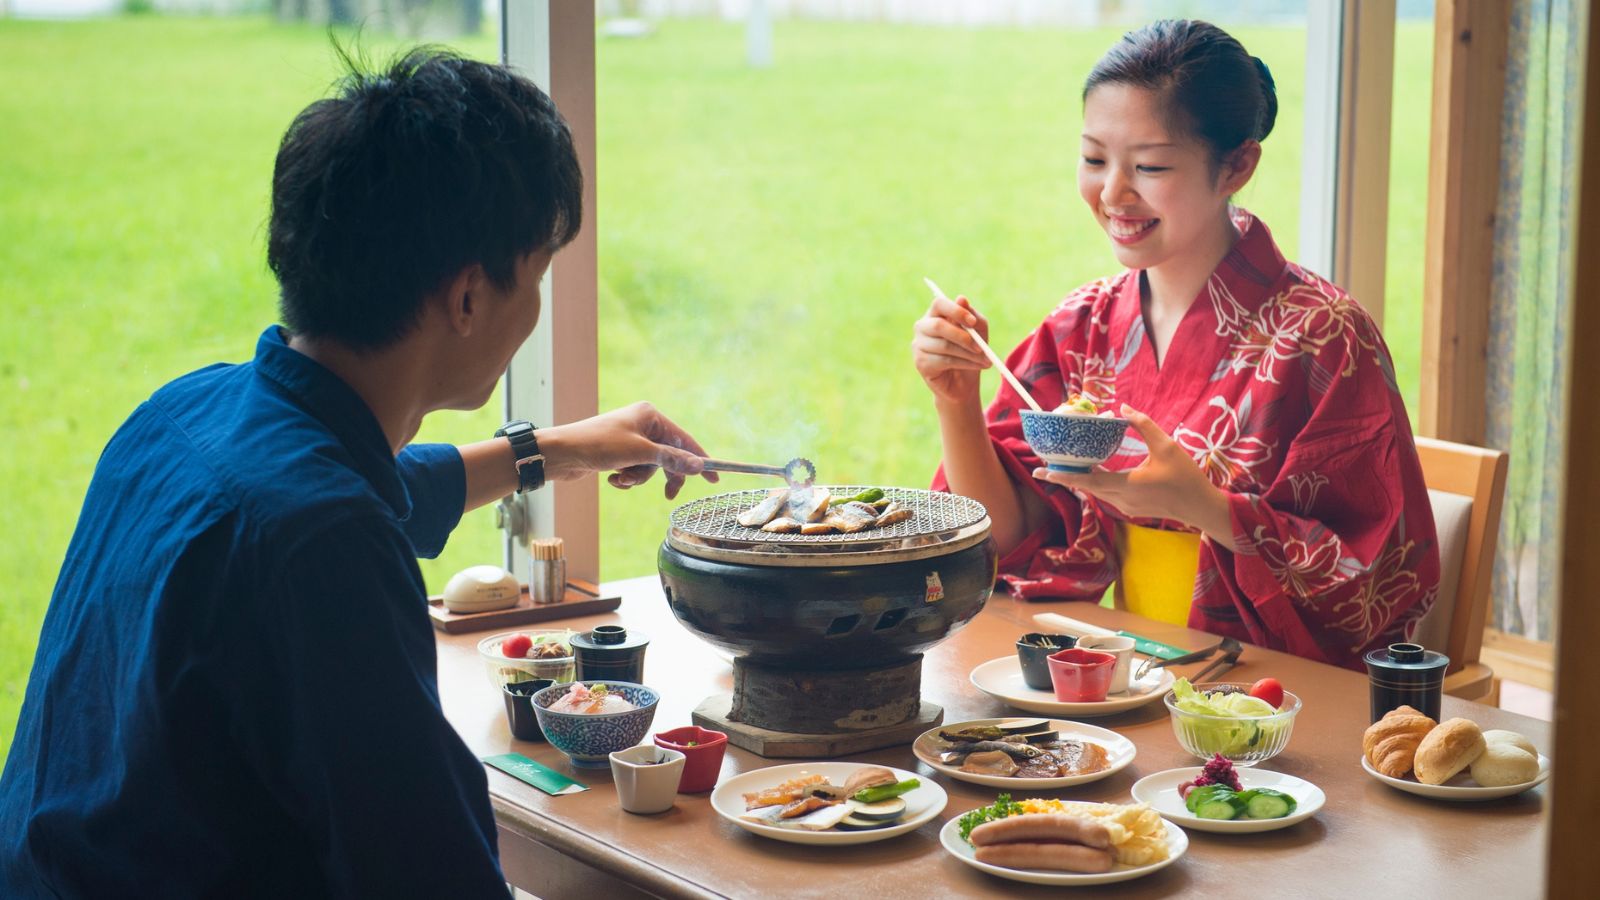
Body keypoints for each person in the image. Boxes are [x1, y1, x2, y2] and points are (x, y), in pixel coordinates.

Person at [0, 48, 714, 897]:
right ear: (467, 300)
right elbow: (430, 872)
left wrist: (561, 449)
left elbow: (366, 485)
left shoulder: (181, 414)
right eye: (536, 274)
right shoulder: (320, 544)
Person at [913, 20, 1439, 672]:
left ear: (1237, 165)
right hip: (1116, 666)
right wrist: (957, 402)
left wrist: (1206, 509)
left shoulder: (1324, 335)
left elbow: (1377, 584)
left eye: (1151, 166)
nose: (1112, 194)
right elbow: (1000, 537)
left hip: (1265, 681)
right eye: (1094, 159)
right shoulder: (1084, 325)